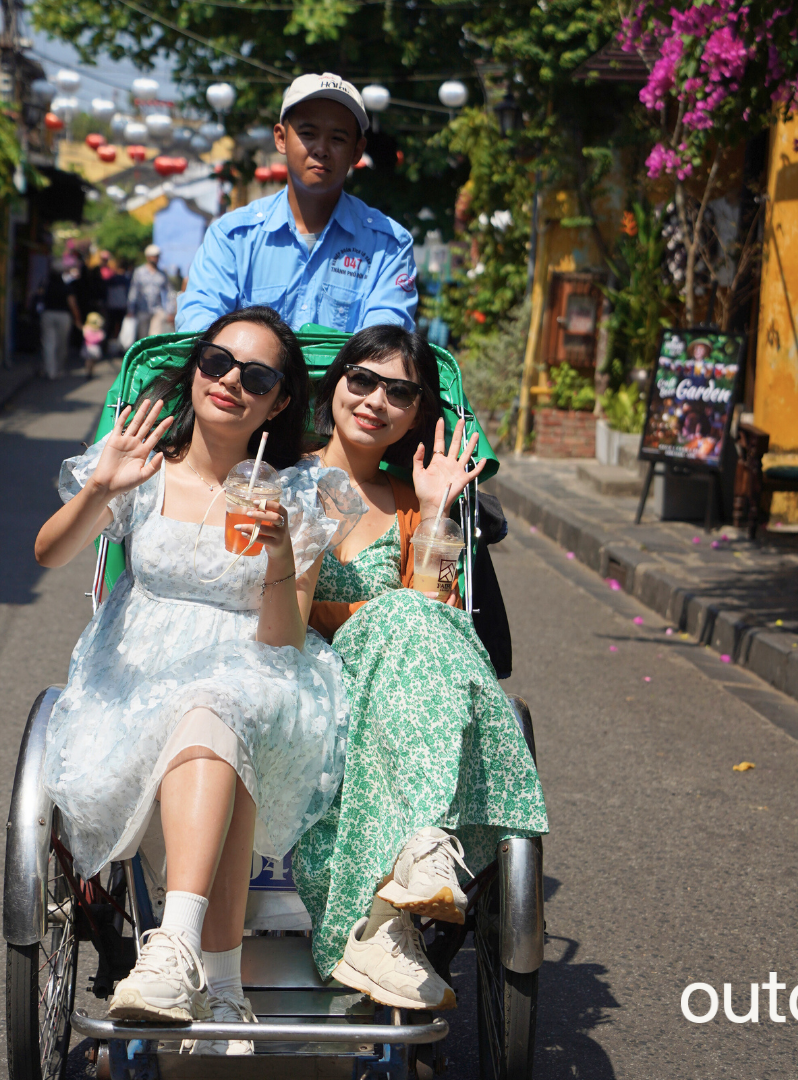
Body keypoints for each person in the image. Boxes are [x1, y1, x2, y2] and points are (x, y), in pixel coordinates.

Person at [34, 307, 363, 1054]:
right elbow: (49, 554)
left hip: (262, 667)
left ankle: (173, 952)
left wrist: (280, 554)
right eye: (216, 363)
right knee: (209, 705)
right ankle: (223, 989)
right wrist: (100, 489)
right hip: (133, 670)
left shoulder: (295, 497)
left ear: (279, 402)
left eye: (256, 377)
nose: (228, 383)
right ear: (196, 368)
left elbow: (282, 637)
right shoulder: (145, 464)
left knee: (218, 700)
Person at [290, 325, 548, 1008]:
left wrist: (434, 511)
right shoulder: (281, 478)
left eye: (400, 391)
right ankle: (414, 854)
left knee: (412, 613)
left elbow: (434, 616)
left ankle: (419, 851)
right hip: (302, 675)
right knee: (402, 612)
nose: (377, 400)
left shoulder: (408, 503)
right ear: (336, 383)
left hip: (399, 689)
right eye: (363, 380)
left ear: (415, 411)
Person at [176, 73, 418, 335]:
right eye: (308, 133)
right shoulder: (232, 237)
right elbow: (198, 333)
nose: (321, 149)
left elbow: (384, 351)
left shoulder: (390, 246)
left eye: (338, 138)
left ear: (357, 151)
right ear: (281, 138)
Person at [38, 254, 83, 379]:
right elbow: (73, 305)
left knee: (48, 343)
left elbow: (38, 297)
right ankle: (57, 369)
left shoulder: (45, 285)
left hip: (48, 314)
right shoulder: (66, 287)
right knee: (61, 344)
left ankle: (50, 370)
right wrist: (77, 320)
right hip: (63, 317)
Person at [128, 243, 171, 339]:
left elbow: (168, 292)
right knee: (143, 336)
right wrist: (130, 308)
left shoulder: (162, 274)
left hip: (157, 309)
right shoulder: (139, 272)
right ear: (148, 257)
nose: (155, 259)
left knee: (154, 336)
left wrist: (169, 310)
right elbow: (134, 290)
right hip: (142, 309)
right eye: (153, 256)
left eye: (157, 256)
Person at [82, 311, 106, 378]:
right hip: (92, 348)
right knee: (90, 361)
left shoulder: (88, 329)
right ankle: (89, 372)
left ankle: (89, 371)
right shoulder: (88, 329)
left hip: (91, 347)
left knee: (90, 361)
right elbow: (101, 338)